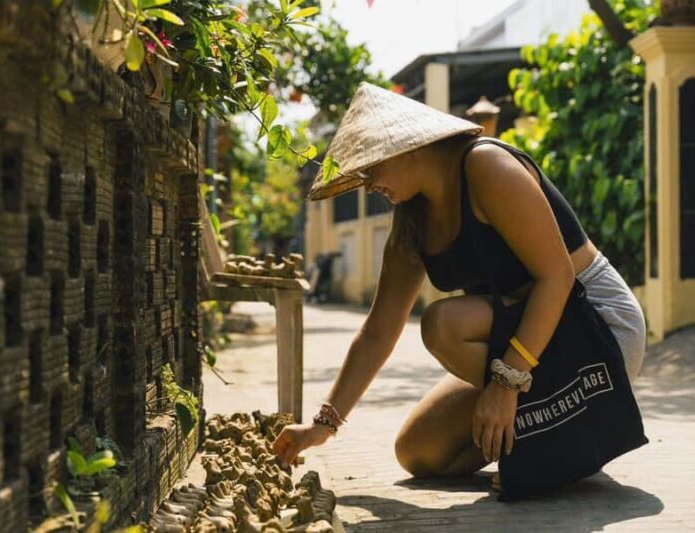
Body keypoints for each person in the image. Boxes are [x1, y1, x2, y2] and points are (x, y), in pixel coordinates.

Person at [272, 82, 646, 490]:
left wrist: (505, 384)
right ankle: (556, 434)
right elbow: (378, 331)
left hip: (597, 328)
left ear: (407, 145)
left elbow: (557, 277)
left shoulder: (486, 166)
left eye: (371, 165)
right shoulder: (411, 219)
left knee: (442, 325)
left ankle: (555, 445)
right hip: (532, 343)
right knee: (419, 451)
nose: (366, 182)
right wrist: (323, 425)